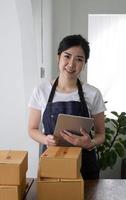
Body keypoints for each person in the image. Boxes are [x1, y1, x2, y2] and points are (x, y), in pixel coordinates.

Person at [28, 34, 106, 180]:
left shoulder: (93, 93)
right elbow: (32, 129)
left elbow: (101, 134)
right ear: (58, 57)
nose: (71, 64)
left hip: (85, 167)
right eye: (67, 56)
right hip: (53, 163)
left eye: (79, 59)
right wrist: (46, 140)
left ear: (84, 64)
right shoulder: (41, 90)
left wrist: (91, 142)